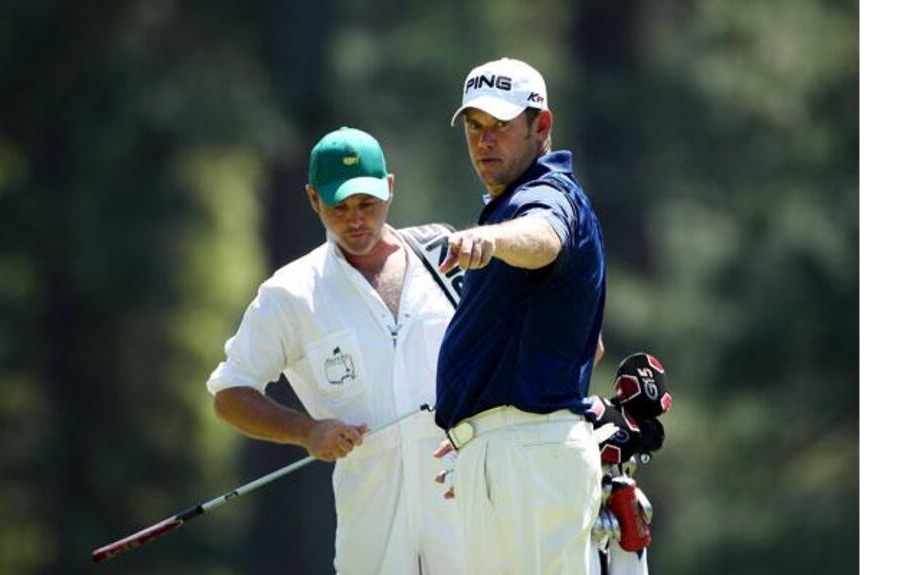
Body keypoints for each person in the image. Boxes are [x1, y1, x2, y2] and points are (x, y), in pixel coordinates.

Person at [206, 127, 465, 574]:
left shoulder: (447, 257)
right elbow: (230, 394)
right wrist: (306, 431)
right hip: (370, 517)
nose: (355, 220)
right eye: (339, 207)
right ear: (312, 199)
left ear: (390, 188)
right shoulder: (290, 293)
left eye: (367, 204)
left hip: (462, 502)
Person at [433, 57, 609, 574]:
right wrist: (482, 427)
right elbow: (588, 345)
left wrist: (490, 239)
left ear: (542, 126)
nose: (484, 141)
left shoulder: (544, 198)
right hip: (515, 452)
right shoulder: (509, 204)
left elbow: (543, 239)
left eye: (501, 127)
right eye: (474, 126)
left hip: (529, 455)